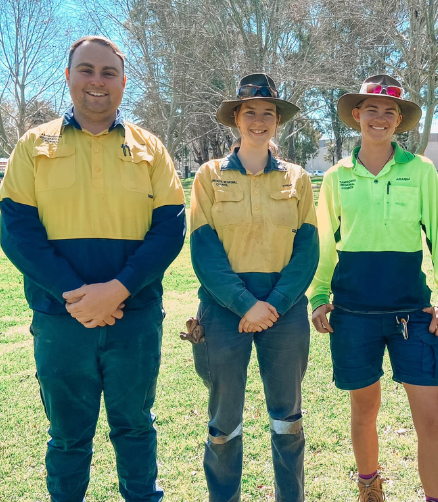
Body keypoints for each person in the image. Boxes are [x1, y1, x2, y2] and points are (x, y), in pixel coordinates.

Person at [0, 36, 186, 501]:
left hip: (135, 319)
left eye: (108, 73)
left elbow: (170, 229)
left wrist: (118, 290)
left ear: (124, 82)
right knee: (67, 437)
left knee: (136, 428)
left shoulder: (151, 148)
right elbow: (17, 231)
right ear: (68, 77)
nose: (97, 82)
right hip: (60, 321)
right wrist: (75, 293)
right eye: (86, 70)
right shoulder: (32, 146)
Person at [308, 74, 438, 502]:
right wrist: (319, 296)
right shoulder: (338, 176)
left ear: (399, 120)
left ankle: (437, 498)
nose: (380, 117)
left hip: (412, 313)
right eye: (371, 109)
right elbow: (324, 240)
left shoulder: (422, 171)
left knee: (431, 418)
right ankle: (369, 485)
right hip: (353, 314)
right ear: (357, 115)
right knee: (364, 410)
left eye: (389, 111)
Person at [189, 73, 318, 502]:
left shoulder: (297, 179)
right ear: (236, 119)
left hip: (286, 312)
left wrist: (275, 304)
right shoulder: (208, 176)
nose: (259, 120)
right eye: (250, 113)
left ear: (277, 121)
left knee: (288, 419)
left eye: (268, 113)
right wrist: (246, 305)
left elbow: (307, 251)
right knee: (224, 424)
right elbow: (204, 251)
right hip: (224, 312)